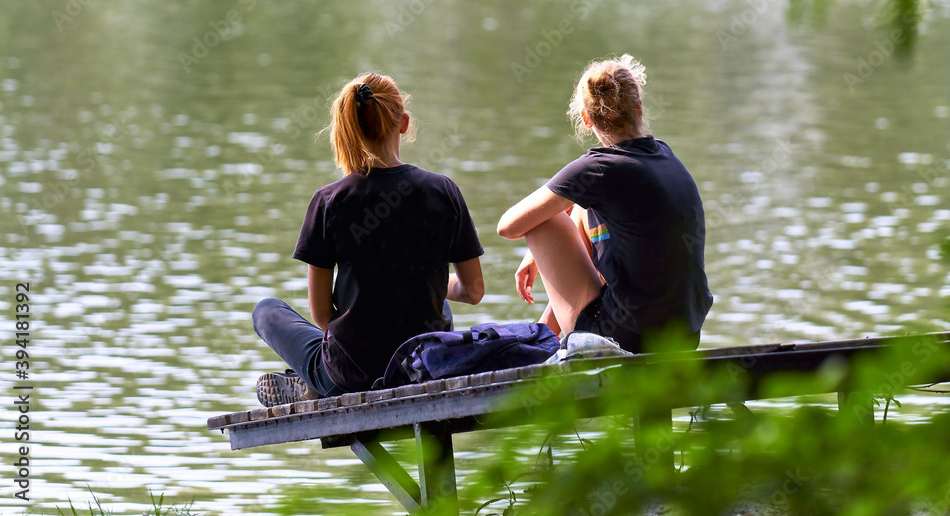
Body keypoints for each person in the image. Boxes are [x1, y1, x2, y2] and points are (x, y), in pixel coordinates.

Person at [253, 73, 485, 405]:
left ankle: (312, 380)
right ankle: (312, 379)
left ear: (348, 127)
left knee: (266, 311)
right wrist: (428, 284)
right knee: (437, 304)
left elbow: (322, 315)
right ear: (403, 123)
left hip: (350, 376)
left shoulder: (329, 201)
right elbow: (474, 292)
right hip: (425, 369)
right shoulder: (443, 190)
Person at [497, 54, 712, 353]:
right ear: (639, 107)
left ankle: (546, 343)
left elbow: (508, 226)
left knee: (545, 222)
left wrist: (535, 253)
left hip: (626, 338)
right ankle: (547, 335)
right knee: (583, 206)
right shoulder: (665, 154)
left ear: (586, 120)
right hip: (686, 336)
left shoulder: (597, 168)